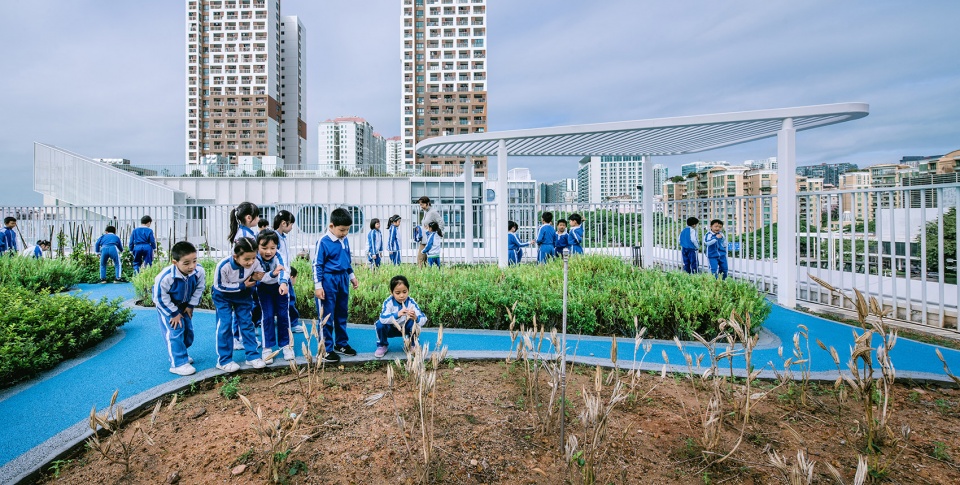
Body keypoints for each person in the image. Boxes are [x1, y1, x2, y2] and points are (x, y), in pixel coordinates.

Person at [313, 208, 360, 363]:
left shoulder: (344, 240)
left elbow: (347, 260)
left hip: (342, 280)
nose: (345, 233)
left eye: (347, 230)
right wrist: (318, 286)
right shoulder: (323, 241)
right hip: (328, 281)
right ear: (331, 226)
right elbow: (317, 265)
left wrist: (352, 276)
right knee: (326, 315)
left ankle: (341, 344)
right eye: (342, 230)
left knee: (341, 313)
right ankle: (325, 348)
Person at [153, 241, 206, 376]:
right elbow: (159, 297)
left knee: (188, 332)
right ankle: (178, 363)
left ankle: (181, 353)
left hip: (185, 305)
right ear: (175, 262)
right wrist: (174, 313)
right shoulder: (165, 277)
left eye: (194, 261)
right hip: (168, 307)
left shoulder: (198, 271)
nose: (192, 266)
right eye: (186, 263)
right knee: (175, 331)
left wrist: (190, 305)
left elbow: (199, 289)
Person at [213, 237, 265, 372]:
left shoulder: (255, 261)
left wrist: (256, 277)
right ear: (235, 256)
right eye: (247, 259)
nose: (251, 262)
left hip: (243, 295)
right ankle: (224, 360)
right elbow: (219, 285)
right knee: (225, 324)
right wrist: (242, 285)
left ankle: (252, 356)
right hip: (223, 296)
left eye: (253, 257)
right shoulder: (223, 266)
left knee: (247, 323)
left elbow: (260, 272)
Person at [256, 230, 294, 364]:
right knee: (267, 316)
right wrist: (272, 273)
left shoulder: (279, 256)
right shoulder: (255, 259)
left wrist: (283, 283)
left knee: (284, 315)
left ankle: (286, 345)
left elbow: (284, 270)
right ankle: (267, 348)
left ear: (277, 247)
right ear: (257, 247)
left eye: (272, 248)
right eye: (264, 248)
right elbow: (259, 277)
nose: (268, 252)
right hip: (264, 289)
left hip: (280, 287)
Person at [228, 201, 261, 349]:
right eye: (257, 216)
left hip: (244, 274)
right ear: (249, 218)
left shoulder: (243, 232)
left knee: (244, 307)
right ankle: (238, 337)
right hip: (245, 276)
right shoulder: (246, 235)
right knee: (243, 307)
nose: (259, 219)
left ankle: (240, 336)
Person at [374, 275, 428, 358]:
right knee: (379, 324)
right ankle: (382, 345)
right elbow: (382, 318)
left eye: (404, 292)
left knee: (414, 323)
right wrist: (397, 314)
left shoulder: (411, 302)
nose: (402, 296)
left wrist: (415, 317)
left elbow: (424, 319)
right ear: (392, 292)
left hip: (406, 329)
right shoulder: (388, 302)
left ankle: (413, 344)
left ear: (408, 291)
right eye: (398, 293)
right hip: (391, 329)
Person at [273, 210, 302, 334]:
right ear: (284, 223)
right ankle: (292, 323)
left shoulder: (281, 237)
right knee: (288, 300)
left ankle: (291, 322)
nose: (291, 228)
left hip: (283, 274)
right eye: (291, 225)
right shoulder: (274, 238)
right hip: (280, 275)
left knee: (289, 299)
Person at [417, 196, 443, 267]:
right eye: (420, 205)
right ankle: (423, 275)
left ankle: (424, 274)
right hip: (424, 239)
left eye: (422, 204)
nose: (421, 206)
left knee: (421, 259)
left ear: (427, 203)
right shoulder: (426, 212)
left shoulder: (433, 212)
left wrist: (437, 234)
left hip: (429, 240)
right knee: (422, 259)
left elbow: (441, 223)